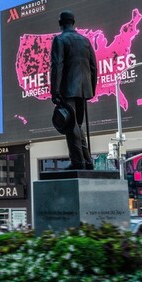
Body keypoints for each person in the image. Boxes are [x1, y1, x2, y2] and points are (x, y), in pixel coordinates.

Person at [50, 10, 98, 170]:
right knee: (76, 126)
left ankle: (78, 162)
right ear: (73, 22)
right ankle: (87, 161)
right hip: (83, 90)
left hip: (68, 89)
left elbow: (57, 66)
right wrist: (91, 89)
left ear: (60, 23)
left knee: (71, 127)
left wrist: (55, 91)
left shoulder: (60, 40)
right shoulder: (85, 41)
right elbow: (93, 67)